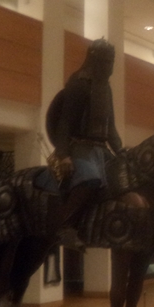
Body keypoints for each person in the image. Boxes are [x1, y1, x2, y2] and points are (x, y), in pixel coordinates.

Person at [46, 38, 123, 232]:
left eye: (112, 62)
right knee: (89, 180)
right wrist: (63, 154)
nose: (110, 67)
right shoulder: (78, 84)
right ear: (95, 60)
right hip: (80, 147)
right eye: (106, 62)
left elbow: (110, 127)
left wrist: (121, 151)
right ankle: (64, 226)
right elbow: (65, 121)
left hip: (101, 150)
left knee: (122, 179)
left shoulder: (106, 88)